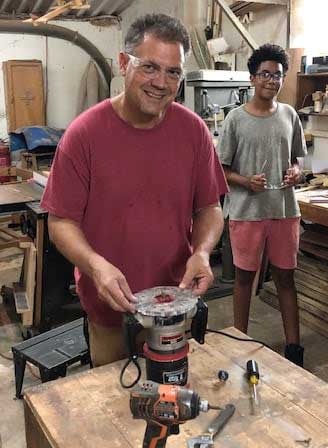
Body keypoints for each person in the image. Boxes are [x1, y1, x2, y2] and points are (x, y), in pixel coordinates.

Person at [41, 13, 228, 367]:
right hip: (110, 309)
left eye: (173, 72)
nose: (161, 82)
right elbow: (60, 222)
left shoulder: (194, 132)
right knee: (115, 406)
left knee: (171, 400)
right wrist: (96, 267)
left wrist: (202, 253)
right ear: (124, 63)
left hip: (175, 304)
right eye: (150, 67)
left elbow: (209, 208)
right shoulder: (84, 135)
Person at [217, 44, 307, 367]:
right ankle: (239, 343)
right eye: (265, 74)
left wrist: (296, 172)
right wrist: (245, 182)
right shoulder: (235, 120)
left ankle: (294, 350)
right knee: (243, 280)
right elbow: (221, 170)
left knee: (286, 279)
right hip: (247, 212)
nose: (271, 80)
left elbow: (298, 161)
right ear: (253, 78)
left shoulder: (290, 115)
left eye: (277, 75)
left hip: (283, 210)